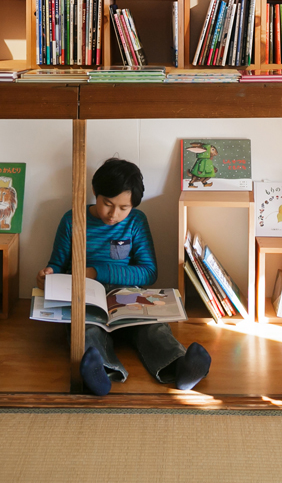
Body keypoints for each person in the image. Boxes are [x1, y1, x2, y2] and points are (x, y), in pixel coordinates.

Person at [37, 158, 211, 396]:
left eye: (123, 208)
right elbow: (56, 265)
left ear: (133, 206)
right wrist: (48, 276)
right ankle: (99, 375)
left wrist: (98, 272)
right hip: (86, 297)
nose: (113, 214)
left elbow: (149, 272)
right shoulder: (72, 219)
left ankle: (182, 369)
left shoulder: (136, 222)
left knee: (154, 328)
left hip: (128, 296)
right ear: (94, 192)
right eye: (107, 204)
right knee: (87, 330)